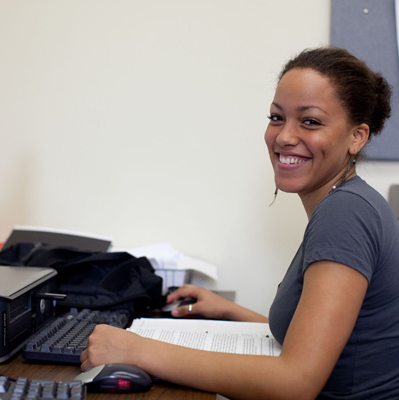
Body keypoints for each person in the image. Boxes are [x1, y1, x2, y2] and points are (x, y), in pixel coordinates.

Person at [80, 47, 399, 399]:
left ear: (357, 136)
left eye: (310, 121)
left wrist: (135, 350)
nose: (284, 137)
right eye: (277, 117)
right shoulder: (352, 202)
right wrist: (230, 310)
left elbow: (296, 382)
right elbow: (326, 342)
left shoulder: (345, 215)